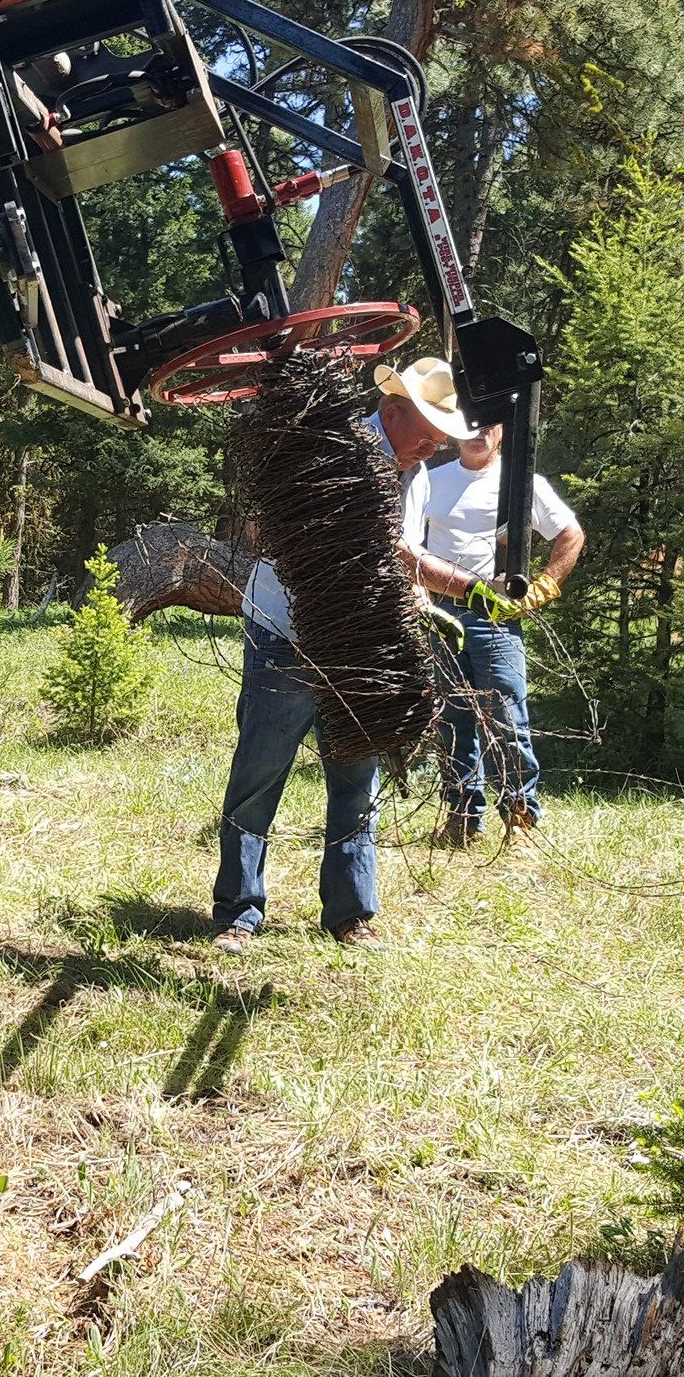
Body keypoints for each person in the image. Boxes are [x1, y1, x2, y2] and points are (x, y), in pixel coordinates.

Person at [212, 356, 520, 954]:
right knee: (260, 770)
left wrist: (428, 607)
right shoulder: (330, 449)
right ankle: (238, 911)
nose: (431, 449)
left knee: (356, 773)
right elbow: (363, 546)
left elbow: (401, 555)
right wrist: (468, 589)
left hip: (361, 642)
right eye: (426, 434)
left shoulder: (417, 472)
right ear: (393, 409)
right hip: (287, 633)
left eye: (440, 439)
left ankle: (351, 913)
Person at [420, 420, 583, 843]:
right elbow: (406, 545)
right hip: (439, 612)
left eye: (487, 426)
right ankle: (462, 817)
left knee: (506, 717)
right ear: (454, 430)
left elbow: (570, 533)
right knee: (452, 718)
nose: (477, 433)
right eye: (468, 425)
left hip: (495, 616)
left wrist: (545, 586)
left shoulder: (523, 484)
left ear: (501, 432)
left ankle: (521, 817)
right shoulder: (429, 480)